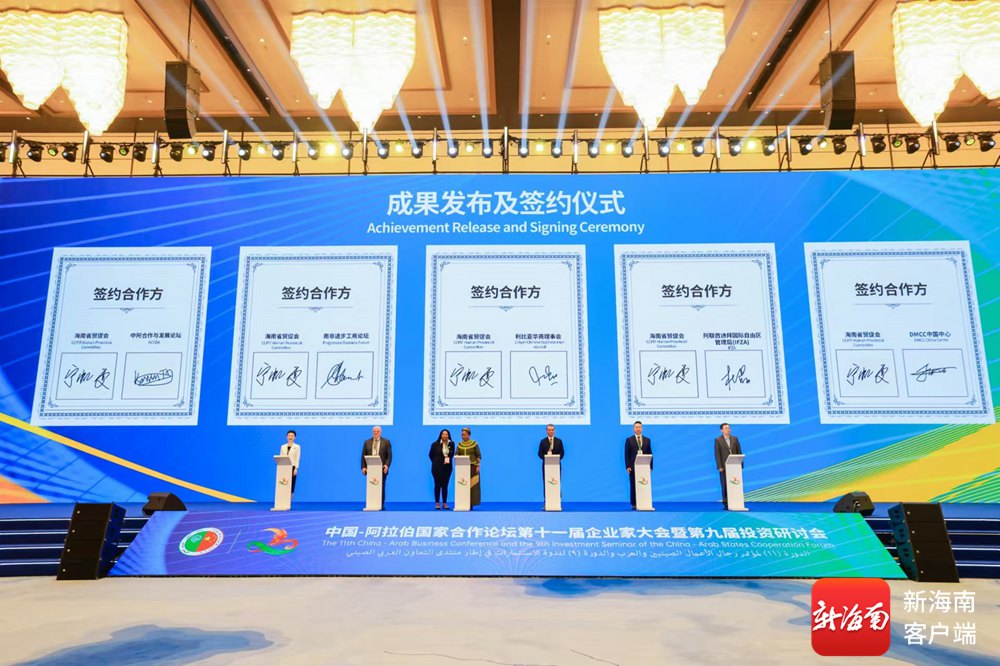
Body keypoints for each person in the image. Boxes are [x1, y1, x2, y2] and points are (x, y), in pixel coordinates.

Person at [714, 422, 743, 509]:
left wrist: (740, 464)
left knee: (735, 484)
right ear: (721, 430)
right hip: (724, 467)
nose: (728, 430)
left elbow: (739, 452)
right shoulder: (718, 440)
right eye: (726, 428)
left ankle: (736, 502)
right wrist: (719, 466)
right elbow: (717, 454)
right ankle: (726, 503)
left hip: (735, 467)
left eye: (729, 428)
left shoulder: (735, 439)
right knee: (725, 485)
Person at [361, 425, 392, 508]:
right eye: (374, 431)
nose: (376, 433)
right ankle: (371, 503)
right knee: (371, 485)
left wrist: (386, 465)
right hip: (370, 469)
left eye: (377, 431)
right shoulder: (367, 442)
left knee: (381, 486)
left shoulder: (386, 442)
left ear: (380, 432)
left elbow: (389, 456)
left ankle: (380, 504)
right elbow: (363, 455)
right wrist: (363, 467)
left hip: (381, 469)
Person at [624, 420, 652, 509]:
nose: (638, 429)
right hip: (633, 467)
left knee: (644, 484)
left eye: (639, 427)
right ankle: (634, 503)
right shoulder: (629, 440)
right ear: (633, 429)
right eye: (636, 427)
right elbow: (626, 454)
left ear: (642, 428)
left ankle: (644, 502)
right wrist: (627, 466)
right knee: (633, 485)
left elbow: (650, 453)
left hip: (644, 467)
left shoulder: (647, 440)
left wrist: (650, 466)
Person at [429, 428, 455, 509]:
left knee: (445, 485)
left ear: (448, 435)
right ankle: (437, 503)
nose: (445, 435)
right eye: (443, 434)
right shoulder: (435, 444)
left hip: (447, 468)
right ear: (440, 435)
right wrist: (436, 462)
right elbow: (430, 455)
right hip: (436, 468)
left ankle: (444, 503)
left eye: (446, 434)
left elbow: (452, 455)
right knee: (437, 485)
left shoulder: (451, 444)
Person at [537, 423, 565, 499]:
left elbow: (562, 453)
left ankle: (558, 500)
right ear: (546, 431)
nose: (551, 431)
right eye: (549, 430)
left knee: (557, 482)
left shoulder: (559, 441)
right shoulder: (543, 441)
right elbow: (539, 453)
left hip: (556, 466)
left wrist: (555, 459)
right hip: (546, 466)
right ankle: (547, 501)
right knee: (547, 483)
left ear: (554, 431)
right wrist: (546, 458)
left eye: (552, 430)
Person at [457, 427, 482, 508]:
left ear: (469, 435)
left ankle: (471, 504)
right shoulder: (459, 445)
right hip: (462, 469)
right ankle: (463, 503)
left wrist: (478, 466)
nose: (463, 436)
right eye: (462, 435)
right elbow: (456, 455)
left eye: (464, 435)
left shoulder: (474, 444)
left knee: (473, 486)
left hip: (473, 468)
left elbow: (478, 456)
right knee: (463, 485)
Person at [280, 430, 301, 495]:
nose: (290, 437)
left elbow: (297, 458)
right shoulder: (283, 446)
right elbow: (281, 457)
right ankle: (283, 498)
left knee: (291, 485)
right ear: (286, 437)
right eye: (289, 435)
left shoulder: (297, 447)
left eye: (292, 436)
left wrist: (296, 468)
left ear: (295, 437)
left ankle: (290, 500)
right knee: (284, 483)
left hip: (292, 467)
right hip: (284, 467)